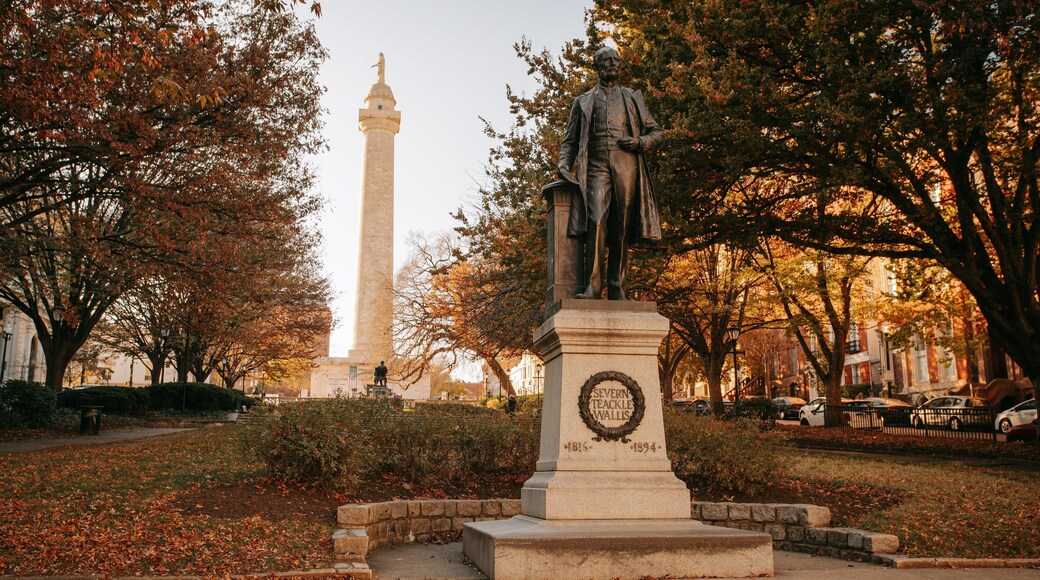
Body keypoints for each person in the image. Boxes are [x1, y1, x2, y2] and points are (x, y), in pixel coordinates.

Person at [557, 46, 665, 300]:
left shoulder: (632, 98)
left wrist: (639, 142)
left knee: (621, 227)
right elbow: (570, 141)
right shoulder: (583, 101)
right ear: (596, 67)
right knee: (596, 221)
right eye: (607, 60)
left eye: (616, 60)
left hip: (626, 166)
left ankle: (617, 287)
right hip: (595, 167)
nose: (612, 64)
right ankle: (593, 287)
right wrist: (564, 164)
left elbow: (657, 133)